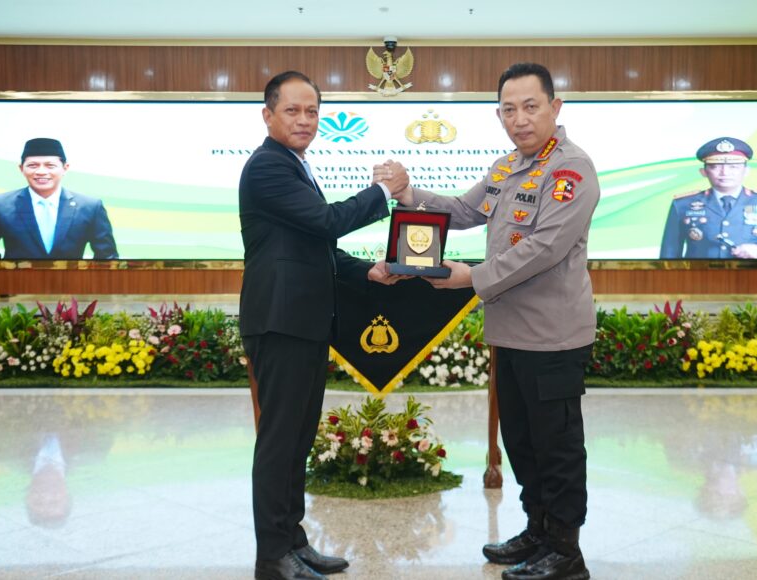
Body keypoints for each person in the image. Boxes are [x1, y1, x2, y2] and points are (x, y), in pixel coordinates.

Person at [388, 62, 598, 580]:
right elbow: (463, 210)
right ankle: (537, 531)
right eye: (508, 110)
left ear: (555, 107)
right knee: (522, 443)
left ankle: (565, 551)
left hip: (553, 337)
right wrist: (410, 195)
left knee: (557, 447)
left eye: (530, 107)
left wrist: (473, 278)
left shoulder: (571, 170)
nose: (519, 119)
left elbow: (545, 248)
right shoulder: (508, 167)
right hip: (511, 333)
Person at [239, 70, 409, 580]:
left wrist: (367, 271)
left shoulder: (295, 164)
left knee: (297, 439)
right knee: (280, 441)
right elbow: (327, 222)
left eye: (312, 111)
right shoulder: (268, 166)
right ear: (267, 115)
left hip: (303, 322)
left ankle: (293, 541)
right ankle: (273, 556)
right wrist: (383, 190)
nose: (304, 120)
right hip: (281, 322)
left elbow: (317, 246)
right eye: (292, 110)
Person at [0, 138, 118, 260]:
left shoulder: (90, 207)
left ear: (65, 168)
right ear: (21, 169)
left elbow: (107, 257)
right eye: (33, 165)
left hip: (72, 284)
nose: (41, 172)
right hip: (17, 284)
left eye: (50, 165)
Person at [659, 137, 757, 259]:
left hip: (755, 275)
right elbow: (670, 248)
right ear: (704, 172)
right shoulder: (683, 203)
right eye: (716, 167)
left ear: (746, 171)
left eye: (733, 167)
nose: (725, 173)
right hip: (699, 276)